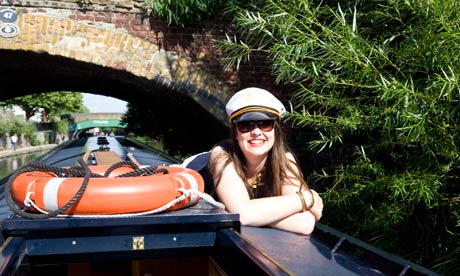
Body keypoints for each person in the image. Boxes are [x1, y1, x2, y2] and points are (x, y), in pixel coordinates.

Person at [208, 87, 323, 235]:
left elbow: (305, 222)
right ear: (236, 133)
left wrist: (256, 214)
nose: (256, 132)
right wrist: (307, 197)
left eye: (265, 124)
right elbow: (243, 214)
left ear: (275, 130)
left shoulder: (284, 160)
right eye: (245, 126)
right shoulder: (222, 155)